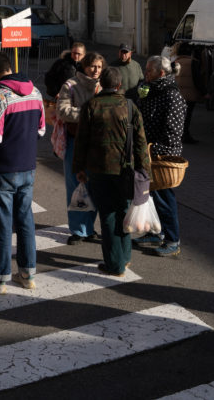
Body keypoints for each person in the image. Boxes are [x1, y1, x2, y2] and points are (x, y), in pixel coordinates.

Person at [0, 51, 46, 294]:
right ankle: (27, 275)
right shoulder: (36, 92)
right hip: (28, 166)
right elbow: (41, 131)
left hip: (3, 168)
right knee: (25, 221)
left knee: (2, 224)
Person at [74, 67, 149, 277]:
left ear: (100, 84)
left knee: (108, 216)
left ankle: (114, 264)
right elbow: (141, 142)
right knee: (124, 212)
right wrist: (145, 170)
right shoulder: (130, 105)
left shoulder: (91, 105)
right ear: (119, 86)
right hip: (125, 169)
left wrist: (79, 168)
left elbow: (81, 141)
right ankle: (124, 258)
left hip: (99, 170)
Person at [134, 55, 187, 258]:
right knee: (151, 196)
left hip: (162, 155)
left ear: (161, 73)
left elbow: (173, 133)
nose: (145, 74)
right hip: (148, 151)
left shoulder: (171, 95)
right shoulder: (152, 89)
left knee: (165, 198)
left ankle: (173, 239)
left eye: (149, 71)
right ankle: (155, 232)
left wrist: (153, 149)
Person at [56, 51, 104, 244]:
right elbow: (63, 110)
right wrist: (88, 114)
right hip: (75, 142)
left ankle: (89, 228)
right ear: (84, 66)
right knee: (75, 186)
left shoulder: (103, 86)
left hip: (97, 144)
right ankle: (77, 229)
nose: (96, 70)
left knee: (93, 186)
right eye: (93, 66)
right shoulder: (70, 85)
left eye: (99, 67)